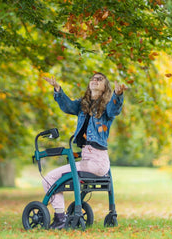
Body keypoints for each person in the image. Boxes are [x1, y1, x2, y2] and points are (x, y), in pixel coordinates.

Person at [42, 72, 126, 229]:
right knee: (58, 176)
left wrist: (118, 94)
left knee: (49, 178)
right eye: (92, 79)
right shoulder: (83, 106)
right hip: (92, 161)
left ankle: (60, 218)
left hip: (96, 161)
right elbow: (67, 106)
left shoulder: (106, 107)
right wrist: (58, 89)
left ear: (104, 87)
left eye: (99, 79)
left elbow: (114, 109)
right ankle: (62, 217)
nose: (94, 80)